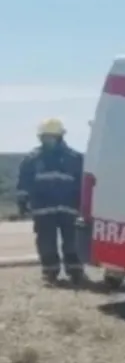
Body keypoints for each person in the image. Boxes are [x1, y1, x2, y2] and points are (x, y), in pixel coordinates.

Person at [16, 118, 87, 285]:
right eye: (45, 137)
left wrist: (83, 204)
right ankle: (50, 272)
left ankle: (75, 271)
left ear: (60, 137)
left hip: (69, 208)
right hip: (43, 209)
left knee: (72, 242)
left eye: (51, 136)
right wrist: (22, 201)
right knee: (46, 242)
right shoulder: (32, 159)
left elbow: (82, 182)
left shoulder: (75, 158)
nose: (48, 140)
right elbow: (24, 183)